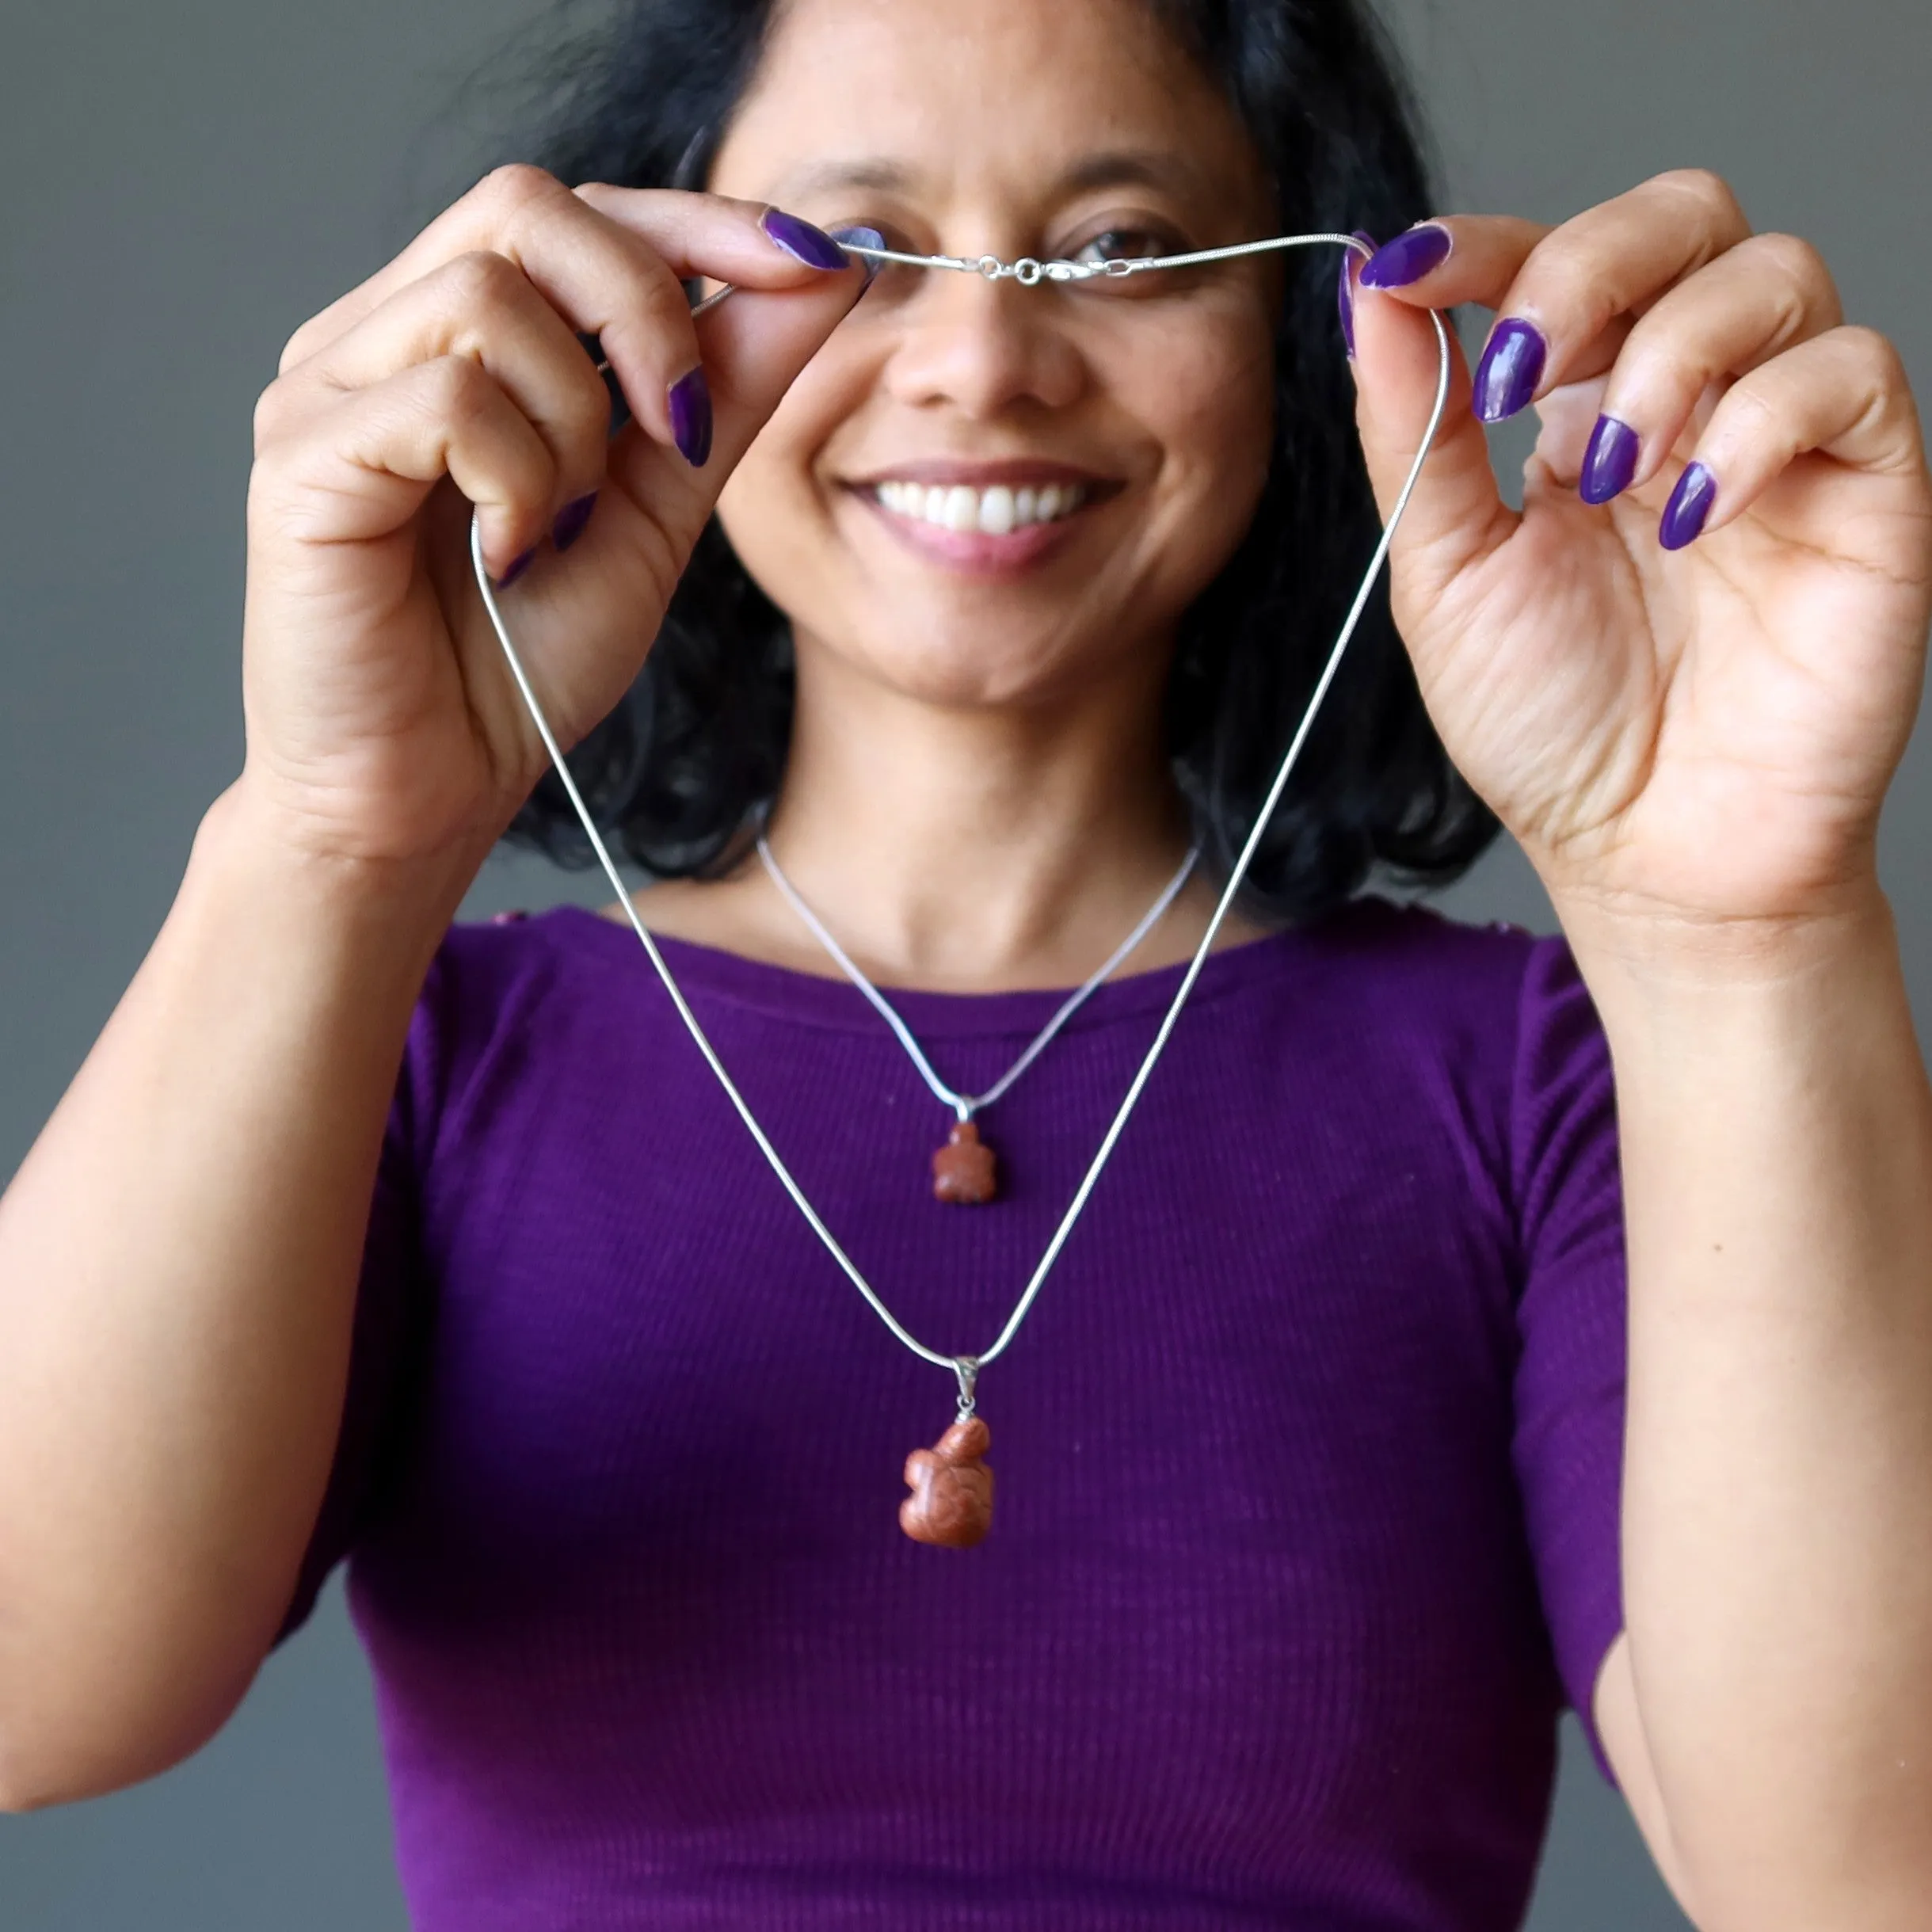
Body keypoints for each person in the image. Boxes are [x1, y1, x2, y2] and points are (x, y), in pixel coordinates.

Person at [2, 0, 1929, 1924]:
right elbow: (33, 1695)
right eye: (856, 248)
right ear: (641, 303)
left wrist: (1746, 934)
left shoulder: (1533, 1088)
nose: (981, 361)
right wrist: (331, 838)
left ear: (1300, 331)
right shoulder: (428, 1056)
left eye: (1118, 249)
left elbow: (1861, 1877)